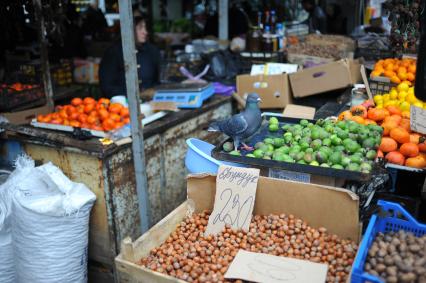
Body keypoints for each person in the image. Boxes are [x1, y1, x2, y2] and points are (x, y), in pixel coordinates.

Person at [99, 16, 161, 98]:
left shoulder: (152, 51)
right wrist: (138, 94)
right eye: (140, 28)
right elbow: (107, 86)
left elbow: (159, 80)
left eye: (145, 28)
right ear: (129, 30)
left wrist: (152, 91)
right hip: (122, 104)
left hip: (150, 102)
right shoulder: (114, 52)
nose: (145, 32)